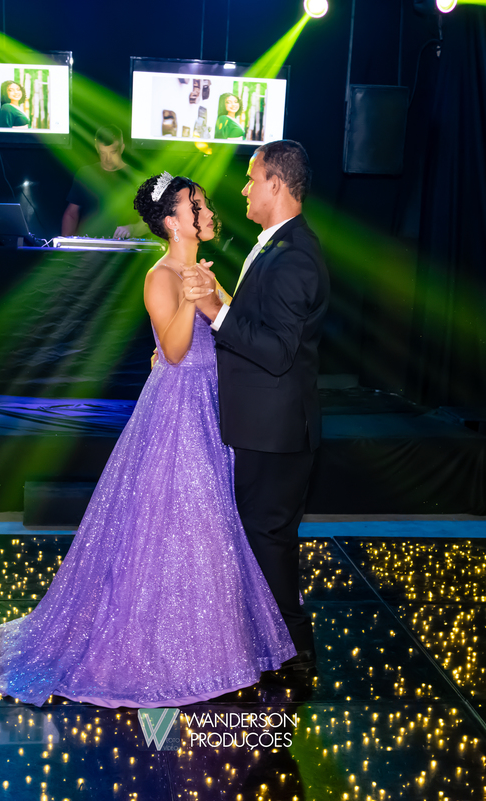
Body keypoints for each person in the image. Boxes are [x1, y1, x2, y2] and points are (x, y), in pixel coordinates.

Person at [0, 172, 295, 707]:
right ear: (173, 222)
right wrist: (191, 299)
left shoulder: (201, 271)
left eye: (204, 203)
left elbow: (232, 331)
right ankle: (169, 651)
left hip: (214, 401)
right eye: (197, 205)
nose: (207, 211)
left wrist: (210, 295)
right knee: (186, 516)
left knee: (212, 520)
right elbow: (174, 351)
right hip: (178, 406)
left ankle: (211, 647)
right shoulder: (160, 275)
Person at [186, 140, 330, 673]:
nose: (244, 189)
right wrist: (223, 298)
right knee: (264, 537)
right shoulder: (278, 245)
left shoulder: (295, 256)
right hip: (268, 425)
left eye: (252, 178)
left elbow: (276, 351)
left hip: (275, 430)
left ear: (276, 183)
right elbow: (263, 323)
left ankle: (292, 650)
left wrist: (214, 311)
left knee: (267, 539)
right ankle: (273, 643)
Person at [61, 126, 149, 240]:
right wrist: (66, 244)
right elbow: (71, 214)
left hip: (124, 246)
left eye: (113, 152)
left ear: (122, 148)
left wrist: (132, 229)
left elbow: (151, 221)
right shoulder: (85, 173)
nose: (108, 159)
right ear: (97, 147)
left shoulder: (136, 178)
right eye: (103, 153)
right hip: (90, 245)